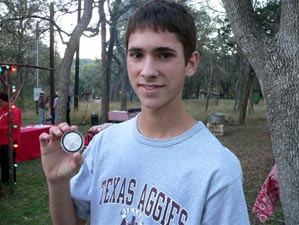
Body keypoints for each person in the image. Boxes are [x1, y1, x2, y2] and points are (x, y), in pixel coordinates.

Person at [40, 1, 250, 224]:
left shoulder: (217, 169)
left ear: (190, 63)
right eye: (137, 55)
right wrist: (56, 183)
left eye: (164, 55)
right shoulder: (104, 145)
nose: (147, 71)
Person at [0, 91, 22, 183]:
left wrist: (1, 128)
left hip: (10, 140)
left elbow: (15, 125)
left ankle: (12, 179)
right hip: (2, 140)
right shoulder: (2, 111)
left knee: (10, 161)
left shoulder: (14, 110)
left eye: (0, 101)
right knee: (3, 161)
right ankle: (5, 178)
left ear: (5, 100)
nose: (0, 104)